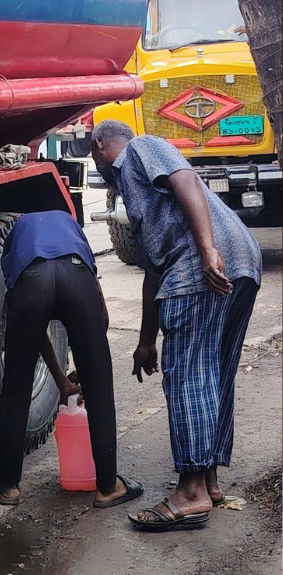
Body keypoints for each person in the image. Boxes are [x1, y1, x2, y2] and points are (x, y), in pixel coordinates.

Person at [91, 120, 262, 532]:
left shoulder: (141, 148)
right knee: (214, 371)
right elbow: (154, 267)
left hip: (204, 265)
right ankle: (210, 482)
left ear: (100, 146)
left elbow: (185, 179)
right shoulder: (133, 189)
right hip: (238, 262)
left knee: (187, 374)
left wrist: (206, 250)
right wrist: (146, 340)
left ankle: (190, 493)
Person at [0, 209, 143, 509]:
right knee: (99, 387)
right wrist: (90, 367)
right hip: (77, 276)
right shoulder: (70, 225)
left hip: (30, 277)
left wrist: (62, 380)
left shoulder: (18, 231)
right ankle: (107, 486)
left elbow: (32, 332)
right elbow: (98, 305)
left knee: (16, 386)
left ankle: (8, 485)